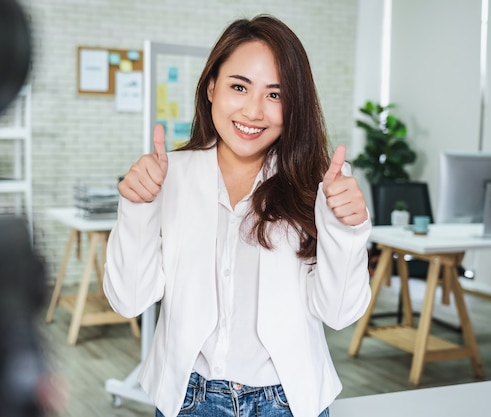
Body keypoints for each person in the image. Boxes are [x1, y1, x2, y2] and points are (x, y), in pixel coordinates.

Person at [104, 14, 371, 417]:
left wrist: (346, 231)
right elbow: (129, 300)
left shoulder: (321, 183)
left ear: (294, 104)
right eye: (239, 86)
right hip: (187, 399)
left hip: (287, 401)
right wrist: (138, 209)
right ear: (211, 87)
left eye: (275, 95)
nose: (254, 111)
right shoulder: (166, 176)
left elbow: (338, 313)